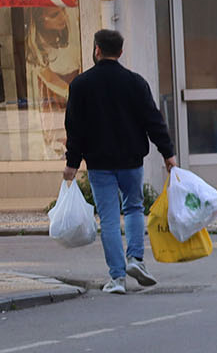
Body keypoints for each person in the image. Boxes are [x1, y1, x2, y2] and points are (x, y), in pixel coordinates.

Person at [62, 29, 178, 294]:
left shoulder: (80, 85)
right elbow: (153, 120)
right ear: (121, 52)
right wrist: (167, 153)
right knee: (135, 207)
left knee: (110, 219)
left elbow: (74, 128)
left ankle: (117, 279)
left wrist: (72, 162)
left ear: (97, 50)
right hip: (131, 159)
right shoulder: (135, 82)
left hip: (99, 162)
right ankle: (135, 259)